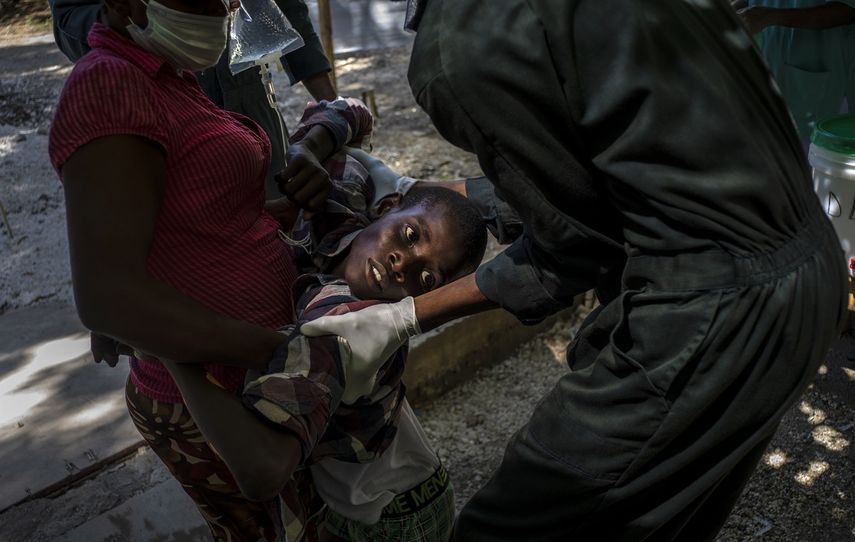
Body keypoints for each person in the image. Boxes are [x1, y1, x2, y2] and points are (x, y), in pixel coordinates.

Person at [299, 1, 849, 540]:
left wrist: (404, 318)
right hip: (808, 270)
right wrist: (417, 191)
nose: (403, 262)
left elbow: (573, 246)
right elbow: (601, 179)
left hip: (714, 310)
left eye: (425, 273)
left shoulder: (460, 43)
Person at [47, 1, 345, 539]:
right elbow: (107, 296)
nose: (227, 7)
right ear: (123, 4)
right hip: (212, 396)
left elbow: (184, 212)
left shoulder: (166, 77)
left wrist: (269, 214)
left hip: (243, 374)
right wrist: (273, 350)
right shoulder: (111, 85)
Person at [159, 96, 487, 542]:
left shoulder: (344, 327)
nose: (402, 263)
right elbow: (350, 110)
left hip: (390, 519)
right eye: (410, 235)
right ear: (387, 205)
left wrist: (164, 345)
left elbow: (262, 471)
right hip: (400, 487)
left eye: (425, 276)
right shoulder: (341, 211)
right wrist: (306, 152)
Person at [47, 0, 337, 196]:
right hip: (157, 106)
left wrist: (334, 110)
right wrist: (157, 24)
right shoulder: (103, 106)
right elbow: (70, 21)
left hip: (248, 102)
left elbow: (286, 10)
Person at [734, 0, 855, 145]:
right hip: (771, 58)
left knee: (816, 150)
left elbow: (846, 10)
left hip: (818, 70)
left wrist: (771, 16)